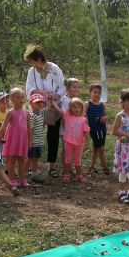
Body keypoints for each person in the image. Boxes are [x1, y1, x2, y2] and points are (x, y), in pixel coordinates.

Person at [24, 44, 66, 178]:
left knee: (52, 136)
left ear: (39, 60)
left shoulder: (55, 69)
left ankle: (51, 166)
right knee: (33, 135)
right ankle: (30, 166)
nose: (30, 64)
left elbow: (62, 88)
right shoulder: (32, 71)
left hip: (54, 107)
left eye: (31, 61)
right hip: (36, 109)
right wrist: (42, 93)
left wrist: (55, 96)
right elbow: (28, 89)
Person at [49, 97, 90, 183]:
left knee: (77, 159)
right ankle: (67, 174)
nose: (76, 109)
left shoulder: (83, 119)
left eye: (79, 107)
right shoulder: (67, 115)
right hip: (68, 142)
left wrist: (87, 142)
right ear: (70, 108)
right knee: (68, 159)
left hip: (78, 144)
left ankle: (79, 175)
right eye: (74, 107)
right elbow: (59, 110)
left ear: (82, 108)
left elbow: (86, 131)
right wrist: (52, 102)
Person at [0, 88, 33, 188]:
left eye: (23, 97)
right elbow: (4, 126)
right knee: (12, 160)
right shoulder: (11, 112)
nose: (21, 99)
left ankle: (22, 180)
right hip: (12, 139)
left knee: (22, 160)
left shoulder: (26, 113)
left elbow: (29, 127)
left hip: (22, 140)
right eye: (18, 97)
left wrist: (30, 139)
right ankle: (12, 179)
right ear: (11, 100)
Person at [84, 83, 110, 175]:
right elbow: (83, 116)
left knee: (96, 148)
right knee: (101, 149)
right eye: (94, 92)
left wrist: (105, 118)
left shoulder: (102, 105)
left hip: (102, 129)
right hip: (93, 130)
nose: (96, 94)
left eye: (99, 93)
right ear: (90, 92)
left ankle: (91, 167)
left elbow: (105, 115)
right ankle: (105, 167)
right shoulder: (87, 104)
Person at [26, 94, 47, 178]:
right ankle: (24, 173)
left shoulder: (41, 113)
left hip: (39, 142)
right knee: (30, 158)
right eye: (37, 102)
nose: (40, 104)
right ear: (31, 103)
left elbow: (48, 107)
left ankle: (34, 174)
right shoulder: (31, 115)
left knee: (36, 158)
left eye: (41, 102)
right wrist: (30, 140)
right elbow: (30, 128)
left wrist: (50, 99)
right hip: (33, 141)